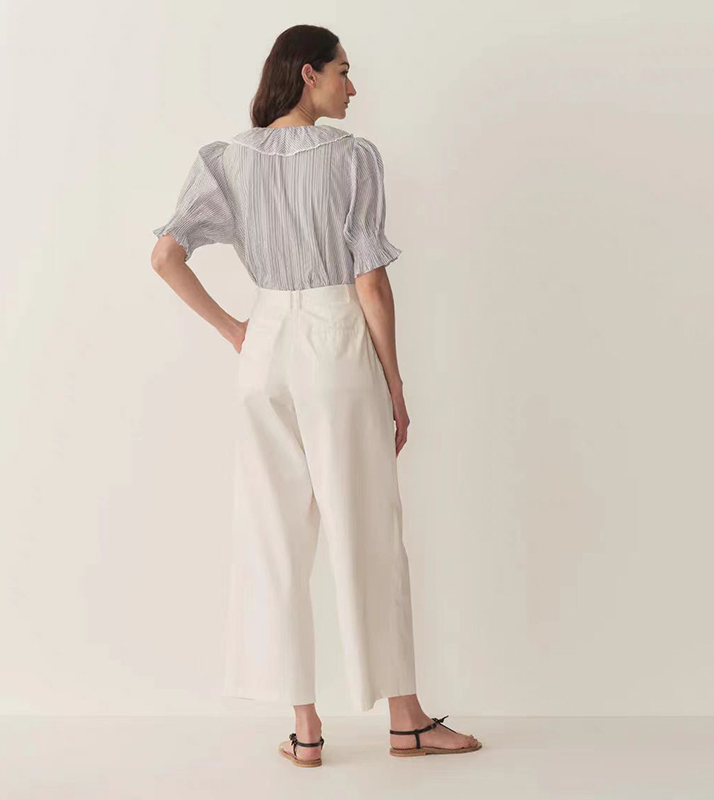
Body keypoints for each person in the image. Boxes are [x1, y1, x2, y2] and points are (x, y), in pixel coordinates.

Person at [150, 24, 481, 766]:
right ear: (309, 74)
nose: (352, 88)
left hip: (265, 343)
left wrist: (237, 330)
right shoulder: (352, 157)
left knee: (273, 535)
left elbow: (165, 255)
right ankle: (406, 721)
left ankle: (305, 731)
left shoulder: (224, 159)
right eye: (343, 71)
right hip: (334, 338)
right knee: (367, 528)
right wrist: (395, 384)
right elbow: (370, 281)